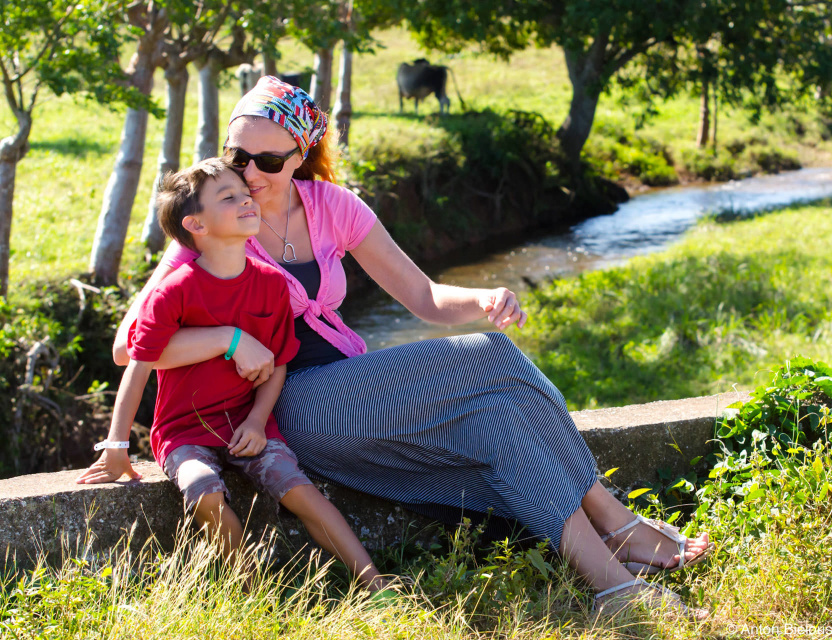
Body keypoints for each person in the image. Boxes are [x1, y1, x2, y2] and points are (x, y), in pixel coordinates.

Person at [111, 76, 713, 616]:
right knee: (494, 359)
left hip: (359, 386)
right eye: (236, 155)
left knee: (499, 417)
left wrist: (482, 300)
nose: (247, 171)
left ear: (301, 155)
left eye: (267, 159)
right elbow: (127, 346)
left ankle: (610, 583)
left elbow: (422, 297)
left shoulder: (331, 206)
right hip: (288, 405)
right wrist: (230, 338)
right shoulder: (214, 222)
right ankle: (616, 523)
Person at [80, 158, 388, 594]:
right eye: (228, 197)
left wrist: (259, 421)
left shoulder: (271, 283)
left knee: (298, 490)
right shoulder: (173, 291)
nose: (246, 199)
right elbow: (139, 364)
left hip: (248, 422)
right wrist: (116, 447)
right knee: (204, 491)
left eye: (244, 194)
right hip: (183, 432)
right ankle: (249, 593)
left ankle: (377, 586)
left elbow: (278, 362)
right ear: (196, 225)